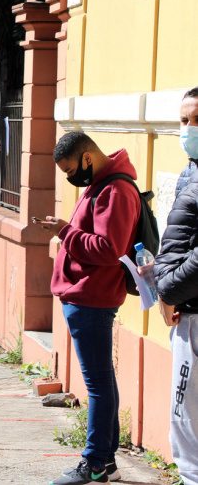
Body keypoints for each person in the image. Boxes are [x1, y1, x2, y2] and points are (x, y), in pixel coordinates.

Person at [36, 131, 140, 485]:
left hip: (92, 298)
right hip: (84, 296)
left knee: (97, 384)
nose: (70, 178)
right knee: (101, 381)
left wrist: (65, 231)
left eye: (70, 170)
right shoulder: (100, 185)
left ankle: (95, 463)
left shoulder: (116, 190)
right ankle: (105, 462)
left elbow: (110, 250)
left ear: (87, 158)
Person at [153, 87, 198, 485]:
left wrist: (167, 290)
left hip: (194, 315)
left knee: (186, 417)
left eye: (197, 120)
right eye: (184, 121)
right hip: (188, 307)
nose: (188, 129)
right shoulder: (191, 171)